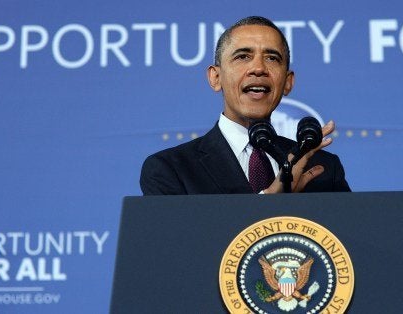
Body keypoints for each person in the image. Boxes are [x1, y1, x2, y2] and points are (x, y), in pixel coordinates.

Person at [140, 16, 350, 195]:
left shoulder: (323, 169)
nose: (258, 68)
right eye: (243, 57)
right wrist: (270, 202)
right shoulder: (170, 169)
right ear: (216, 77)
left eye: (272, 58)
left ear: (287, 82)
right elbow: (180, 242)